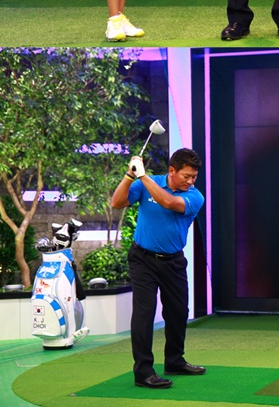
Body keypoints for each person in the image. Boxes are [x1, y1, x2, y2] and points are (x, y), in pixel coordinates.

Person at [110, 147, 206, 389]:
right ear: (172, 170)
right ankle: (143, 372)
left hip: (173, 262)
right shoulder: (146, 183)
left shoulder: (195, 196)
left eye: (194, 176)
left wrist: (142, 176)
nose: (191, 181)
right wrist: (130, 175)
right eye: (186, 176)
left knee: (178, 312)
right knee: (144, 313)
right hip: (142, 259)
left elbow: (168, 202)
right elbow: (117, 202)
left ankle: (174, 361)